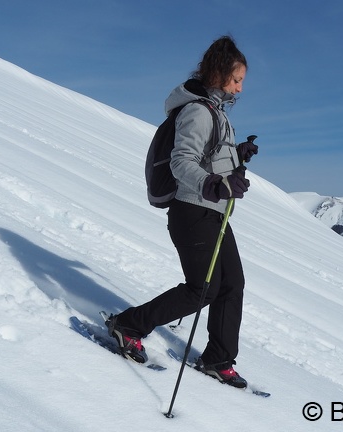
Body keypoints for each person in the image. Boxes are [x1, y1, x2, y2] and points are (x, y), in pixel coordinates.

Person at [106, 35, 258, 389]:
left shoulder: (214, 111)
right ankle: (128, 325)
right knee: (202, 288)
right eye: (236, 80)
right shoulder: (197, 111)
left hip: (213, 212)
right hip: (192, 211)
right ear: (219, 74)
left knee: (231, 285)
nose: (239, 89)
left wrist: (237, 154)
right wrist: (214, 185)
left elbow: (210, 155)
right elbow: (182, 161)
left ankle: (219, 358)